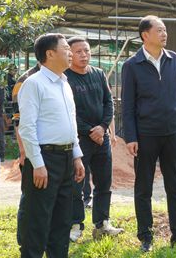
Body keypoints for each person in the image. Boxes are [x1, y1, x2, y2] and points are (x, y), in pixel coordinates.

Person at [121, 15, 176, 252]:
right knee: (144, 188)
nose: (164, 34)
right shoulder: (132, 65)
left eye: (165, 30)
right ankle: (146, 237)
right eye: (159, 30)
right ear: (145, 35)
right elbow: (128, 105)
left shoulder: (174, 59)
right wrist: (131, 137)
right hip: (146, 135)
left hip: (173, 132)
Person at [17, 33, 85, 258]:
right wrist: (37, 164)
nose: (70, 53)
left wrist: (76, 156)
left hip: (66, 159)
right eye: (66, 48)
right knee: (37, 221)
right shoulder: (34, 84)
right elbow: (27, 128)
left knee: (62, 221)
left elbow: (71, 123)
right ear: (50, 54)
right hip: (45, 159)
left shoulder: (64, 83)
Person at [65, 37, 123, 242]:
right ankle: (75, 224)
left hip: (101, 138)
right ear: (69, 54)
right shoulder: (65, 77)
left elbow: (109, 103)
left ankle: (102, 223)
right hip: (79, 139)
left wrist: (103, 127)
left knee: (104, 181)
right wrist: (90, 130)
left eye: (87, 51)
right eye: (79, 52)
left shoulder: (98, 74)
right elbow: (68, 111)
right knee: (76, 183)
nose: (84, 55)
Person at [11, 64, 40, 166]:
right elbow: (18, 119)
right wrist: (23, 151)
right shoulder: (25, 81)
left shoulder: (62, 78)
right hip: (35, 149)